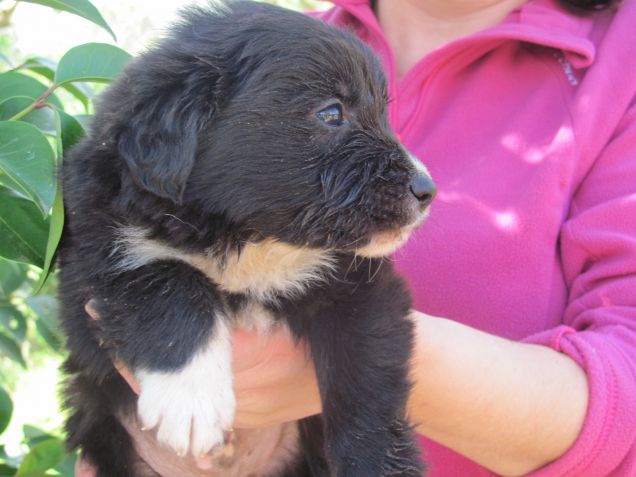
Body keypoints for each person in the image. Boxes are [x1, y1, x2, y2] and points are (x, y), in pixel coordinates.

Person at [76, 0, 636, 475]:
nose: (418, 176)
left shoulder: (619, 58)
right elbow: (105, 275)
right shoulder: (291, 39)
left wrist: (342, 383)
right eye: (332, 114)